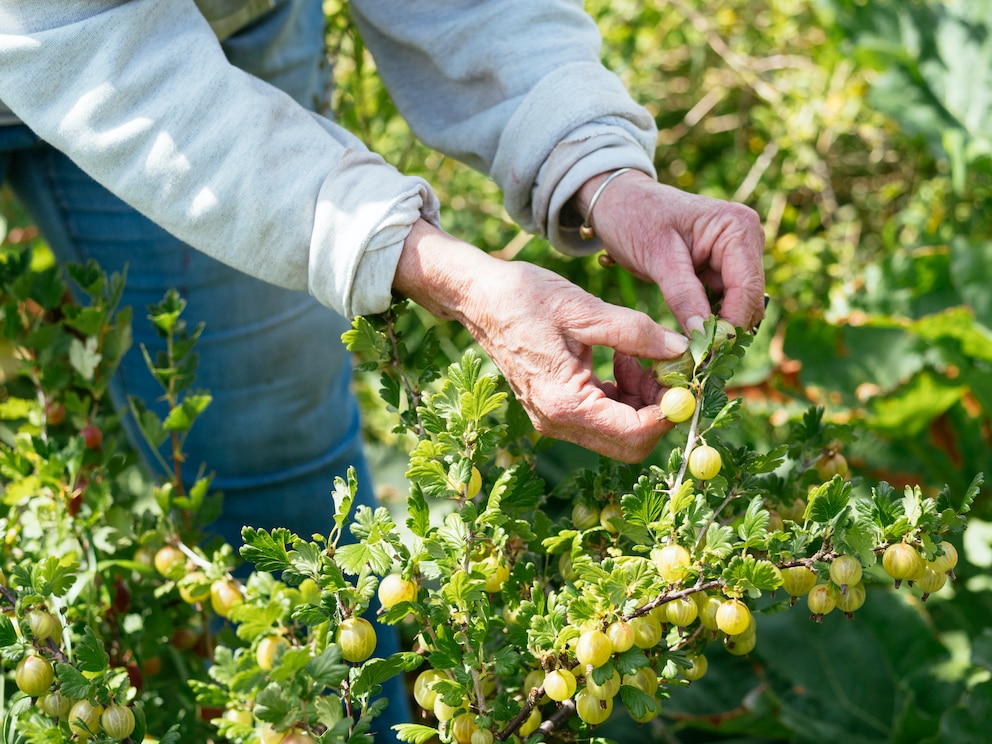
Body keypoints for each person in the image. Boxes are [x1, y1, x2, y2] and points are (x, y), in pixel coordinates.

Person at [0, 0, 766, 741]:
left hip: (223, 19)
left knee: (275, 467)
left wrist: (601, 171)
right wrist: (455, 278)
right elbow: (72, 34)